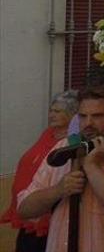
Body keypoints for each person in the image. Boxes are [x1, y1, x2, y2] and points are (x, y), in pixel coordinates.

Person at [17, 85, 104, 252]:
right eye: (83, 116)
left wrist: (90, 166)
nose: (88, 123)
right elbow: (25, 209)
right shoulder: (66, 147)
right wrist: (59, 190)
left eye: (97, 116)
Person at [2, 91, 77, 252]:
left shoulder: (70, 143)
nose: (51, 115)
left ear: (72, 115)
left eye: (57, 111)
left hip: (46, 217)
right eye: (51, 110)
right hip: (29, 210)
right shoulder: (48, 134)